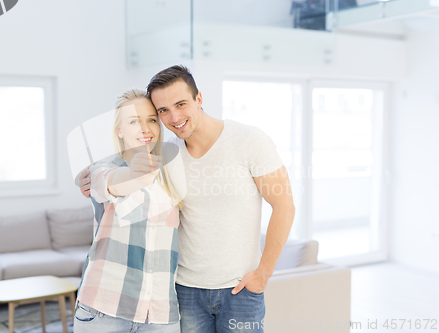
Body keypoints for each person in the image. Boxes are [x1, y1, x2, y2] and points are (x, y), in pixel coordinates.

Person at [79, 66, 296, 333]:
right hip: (185, 291)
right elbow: (118, 169)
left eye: (181, 104)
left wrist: (263, 273)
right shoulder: (168, 153)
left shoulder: (249, 140)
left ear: (199, 99)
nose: (174, 117)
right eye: (163, 111)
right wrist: (88, 175)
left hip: (240, 289)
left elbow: (284, 206)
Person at [73, 89, 183, 333]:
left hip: (161, 314)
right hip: (103, 309)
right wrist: (136, 173)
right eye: (134, 121)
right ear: (119, 131)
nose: (145, 128)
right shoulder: (102, 169)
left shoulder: (172, 174)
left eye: (151, 120)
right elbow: (111, 183)